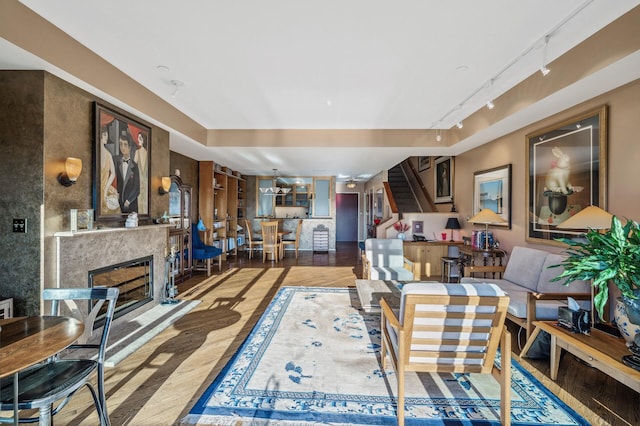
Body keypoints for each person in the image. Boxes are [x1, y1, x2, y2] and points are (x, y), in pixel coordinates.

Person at [114, 130, 140, 213]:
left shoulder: (134, 166)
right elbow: (117, 183)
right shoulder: (118, 164)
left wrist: (128, 201)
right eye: (121, 144)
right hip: (120, 204)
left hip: (131, 205)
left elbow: (136, 188)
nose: (123, 147)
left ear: (129, 147)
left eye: (125, 144)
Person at [99, 126, 117, 211]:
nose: (107, 137)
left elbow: (113, 173)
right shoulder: (108, 154)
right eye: (105, 135)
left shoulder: (108, 154)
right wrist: (106, 189)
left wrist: (105, 189)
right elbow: (113, 173)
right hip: (104, 188)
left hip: (104, 188)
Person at [134, 132, 149, 214]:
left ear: (144, 140)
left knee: (144, 202)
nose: (138, 139)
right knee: (142, 202)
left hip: (143, 182)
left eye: (140, 138)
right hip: (141, 182)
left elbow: (133, 168)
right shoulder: (139, 152)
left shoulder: (140, 153)